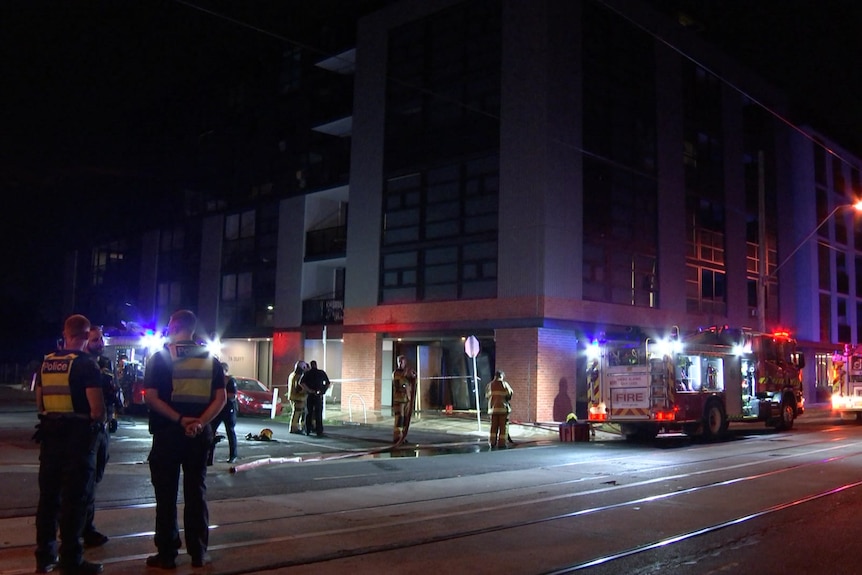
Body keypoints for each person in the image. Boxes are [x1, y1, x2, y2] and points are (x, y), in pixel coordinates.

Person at [143, 310, 226, 569]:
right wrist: (200, 422)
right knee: (195, 492)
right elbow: (221, 398)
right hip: (199, 437)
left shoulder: (160, 358)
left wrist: (180, 420)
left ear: (173, 326)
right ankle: (199, 552)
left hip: (168, 435)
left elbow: (152, 398)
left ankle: (167, 554)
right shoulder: (210, 359)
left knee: (166, 496)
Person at [34, 314, 105, 575]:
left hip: (50, 439)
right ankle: (71, 561)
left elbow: (40, 404)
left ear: (65, 333)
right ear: (86, 336)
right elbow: (97, 410)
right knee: (74, 502)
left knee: (48, 500)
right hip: (78, 442)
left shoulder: (47, 363)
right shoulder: (87, 365)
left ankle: (44, 558)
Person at [81, 326, 114, 549]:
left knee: (95, 480)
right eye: (95, 339)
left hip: (103, 429)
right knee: (84, 482)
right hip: (88, 429)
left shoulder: (105, 364)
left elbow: (112, 394)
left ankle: (86, 526)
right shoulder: (83, 364)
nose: (100, 342)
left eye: (101, 338)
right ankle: (82, 529)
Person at [208, 362, 238, 464]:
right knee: (211, 431)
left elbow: (232, 395)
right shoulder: (216, 380)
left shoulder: (230, 380)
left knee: (230, 431)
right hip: (217, 409)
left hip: (228, 409)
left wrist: (220, 394)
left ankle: (233, 455)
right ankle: (209, 457)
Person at [300, 360, 330, 437]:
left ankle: (308, 430)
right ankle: (319, 430)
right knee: (318, 413)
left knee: (309, 413)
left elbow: (301, 383)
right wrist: (323, 391)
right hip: (318, 395)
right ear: (316, 365)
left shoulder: (307, 374)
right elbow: (327, 383)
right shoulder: (321, 373)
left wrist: (309, 390)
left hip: (310, 395)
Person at [485, 370, 513, 449]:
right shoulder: (504, 384)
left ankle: (492, 442)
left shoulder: (489, 385)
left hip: (493, 410)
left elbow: (487, 396)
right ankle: (502, 443)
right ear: (501, 376)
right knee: (503, 427)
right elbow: (510, 394)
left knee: (493, 427)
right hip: (503, 410)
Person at [392, 354, 416, 443]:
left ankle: (403, 436)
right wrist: (407, 374)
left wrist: (412, 375)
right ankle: (397, 437)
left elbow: (411, 380)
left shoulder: (406, 373)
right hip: (399, 400)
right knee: (400, 419)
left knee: (405, 418)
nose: (401, 363)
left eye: (403, 361)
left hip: (406, 400)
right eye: (400, 361)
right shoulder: (396, 373)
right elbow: (402, 383)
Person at [287, 360, 309, 434]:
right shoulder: (298, 377)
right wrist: (306, 391)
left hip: (292, 396)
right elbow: (298, 387)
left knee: (296, 413)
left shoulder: (292, 375)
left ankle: (295, 427)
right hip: (298, 397)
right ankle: (294, 428)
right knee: (297, 413)